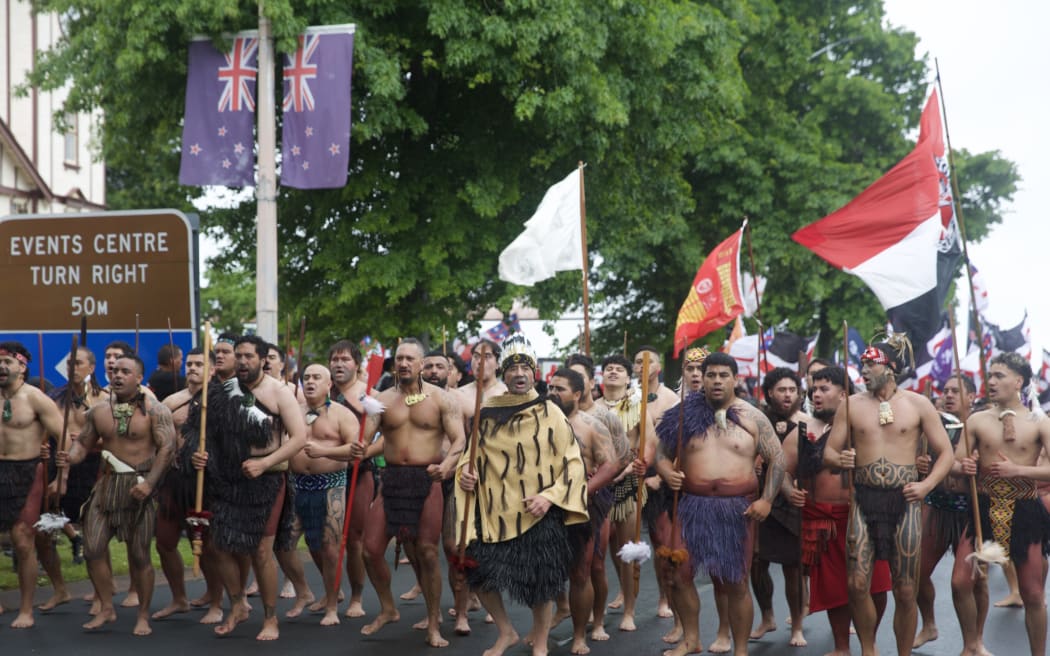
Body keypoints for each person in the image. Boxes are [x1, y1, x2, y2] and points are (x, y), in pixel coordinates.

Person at [456, 333, 589, 656]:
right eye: (512, 368)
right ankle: (506, 632)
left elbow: (572, 463)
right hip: (494, 512)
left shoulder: (551, 412)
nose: (519, 374)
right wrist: (466, 475)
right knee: (480, 576)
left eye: (525, 368)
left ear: (534, 374)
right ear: (503, 374)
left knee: (541, 583)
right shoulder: (486, 413)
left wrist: (551, 496)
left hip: (538, 511)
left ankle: (541, 641)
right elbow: (469, 458)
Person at [823, 336, 954, 656]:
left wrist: (926, 486)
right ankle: (869, 650)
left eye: (871, 364)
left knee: (906, 589)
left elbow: (946, 453)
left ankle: (903, 653)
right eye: (863, 364)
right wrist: (839, 460)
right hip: (864, 500)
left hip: (905, 502)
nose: (863, 370)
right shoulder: (850, 405)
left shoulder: (918, 404)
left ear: (891, 368)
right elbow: (829, 451)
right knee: (856, 584)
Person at [653, 351, 784, 656]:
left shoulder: (752, 416)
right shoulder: (682, 415)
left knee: (736, 582)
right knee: (678, 574)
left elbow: (777, 458)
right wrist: (667, 472)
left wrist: (766, 500)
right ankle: (691, 639)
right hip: (691, 506)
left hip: (736, 509)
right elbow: (660, 454)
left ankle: (740, 649)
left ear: (735, 379)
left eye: (723, 375)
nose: (715, 380)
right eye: (710, 374)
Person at [190, 335, 307, 641]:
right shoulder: (223, 391)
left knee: (260, 550)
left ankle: (271, 619)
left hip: (268, 479)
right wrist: (203, 456)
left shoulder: (279, 392)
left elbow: (298, 438)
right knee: (220, 544)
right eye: (238, 356)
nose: (242, 362)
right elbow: (209, 433)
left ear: (262, 359)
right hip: (230, 478)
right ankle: (238, 603)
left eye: (248, 356)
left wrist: (265, 463)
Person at [352, 338, 466, 647]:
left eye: (409, 359)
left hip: (427, 478)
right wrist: (357, 444)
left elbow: (459, 440)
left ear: (420, 365)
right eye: (399, 358)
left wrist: (448, 466)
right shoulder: (380, 399)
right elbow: (364, 436)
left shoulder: (442, 398)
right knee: (370, 549)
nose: (403, 363)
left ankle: (433, 624)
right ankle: (388, 608)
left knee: (428, 552)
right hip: (392, 480)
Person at [57, 352, 176, 636]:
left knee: (139, 555)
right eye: (115, 371)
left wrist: (149, 485)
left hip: (140, 487)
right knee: (93, 548)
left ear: (138, 378)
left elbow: (168, 449)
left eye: (125, 371)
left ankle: (143, 615)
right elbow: (83, 444)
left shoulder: (155, 410)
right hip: (107, 486)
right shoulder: (98, 411)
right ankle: (107, 607)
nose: (118, 375)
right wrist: (70, 457)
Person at [782, 365, 891, 656]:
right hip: (823, 517)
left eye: (824, 389)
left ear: (844, 394)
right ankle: (841, 646)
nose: (816, 394)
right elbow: (781, 471)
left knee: (878, 585)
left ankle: (870, 641)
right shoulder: (802, 432)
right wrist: (789, 491)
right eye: (814, 389)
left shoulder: (867, 427)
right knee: (834, 588)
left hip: (865, 515)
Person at [956, 352, 1050, 656]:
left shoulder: (1039, 422)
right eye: (990, 375)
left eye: (999, 375)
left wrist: (1018, 471)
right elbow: (956, 462)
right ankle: (972, 645)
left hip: (1025, 509)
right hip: (982, 508)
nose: (991, 381)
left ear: (1019, 381)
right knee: (960, 582)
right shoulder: (976, 420)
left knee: (1033, 595)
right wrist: (964, 467)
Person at [276, 363, 358, 626]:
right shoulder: (292, 412)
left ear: (328, 384)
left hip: (331, 485)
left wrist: (324, 452)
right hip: (297, 485)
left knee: (330, 550)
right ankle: (304, 591)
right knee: (283, 546)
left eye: (316, 378)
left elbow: (355, 451)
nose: (310, 382)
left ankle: (332, 605)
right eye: (307, 377)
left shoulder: (343, 415)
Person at [547, 367, 619, 655]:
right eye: (550, 388)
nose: (552, 393)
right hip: (546, 505)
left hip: (585, 506)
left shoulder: (592, 425)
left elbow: (610, 465)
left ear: (577, 394)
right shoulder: (537, 423)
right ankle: (541, 631)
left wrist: (581, 492)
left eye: (559, 388)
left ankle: (580, 635)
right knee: (546, 570)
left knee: (581, 572)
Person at [152, 347, 226, 624]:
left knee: (209, 546)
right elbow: (158, 439)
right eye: (191, 363)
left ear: (212, 369)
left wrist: (211, 457)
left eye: (199, 364)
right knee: (164, 541)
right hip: (174, 479)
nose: (193, 368)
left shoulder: (221, 401)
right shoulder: (172, 401)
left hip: (206, 480)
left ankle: (217, 602)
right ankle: (179, 599)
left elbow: (230, 443)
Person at [913, 373, 985, 650]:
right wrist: (919, 465)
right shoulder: (933, 425)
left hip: (972, 511)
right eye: (946, 390)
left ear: (971, 397)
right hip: (938, 504)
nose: (949, 395)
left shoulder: (982, 427)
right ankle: (929, 624)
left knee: (969, 582)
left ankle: (974, 641)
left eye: (956, 391)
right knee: (915, 573)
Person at [0, 342, 65, 629]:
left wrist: (61, 477)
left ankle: (26, 609)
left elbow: (64, 437)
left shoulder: (36, 398)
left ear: (22, 367)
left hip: (26, 470)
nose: (1, 368)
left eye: (7, 363)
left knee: (23, 540)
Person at [566, 352, 628, 641]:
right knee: (567, 566)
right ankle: (565, 611)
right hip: (559, 500)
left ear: (589, 383)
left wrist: (594, 483)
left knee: (596, 564)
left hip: (598, 497)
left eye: (579, 376)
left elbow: (620, 458)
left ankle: (599, 620)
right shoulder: (553, 415)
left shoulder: (604, 418)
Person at [750, 367, 810, 646]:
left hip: (793, 503)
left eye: (791, 390)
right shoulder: (756, 422)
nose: (787, 395)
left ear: (799, 394)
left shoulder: (809, 424)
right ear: (770, 393)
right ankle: (767, 617)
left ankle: (797, 625)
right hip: (759, 500)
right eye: (781, 390)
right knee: (757, 563)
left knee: (793, 567)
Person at [599, 353, 655, 632]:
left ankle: (630, 611)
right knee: (600, 548)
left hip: (628, 484)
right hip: (597, 484)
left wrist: (628, 469)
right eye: (608, 368)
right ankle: (596, 612)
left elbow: (648, 446)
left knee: (629, 550)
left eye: (618, 369)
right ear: (601, 376)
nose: (612, 372)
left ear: (627, 377)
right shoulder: (593, 406)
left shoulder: (638, 407)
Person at [328, 339, 377, 619]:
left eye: (345, 359)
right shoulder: (321, 391)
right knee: (324, 540)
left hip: (360, 473)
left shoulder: (369, 396)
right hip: (325, 473)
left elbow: (387, 437)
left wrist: (366, 450)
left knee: (354, 538)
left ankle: (357, 597)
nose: (338, 364)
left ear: (356, 365)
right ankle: (330, 591)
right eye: (334, 359)